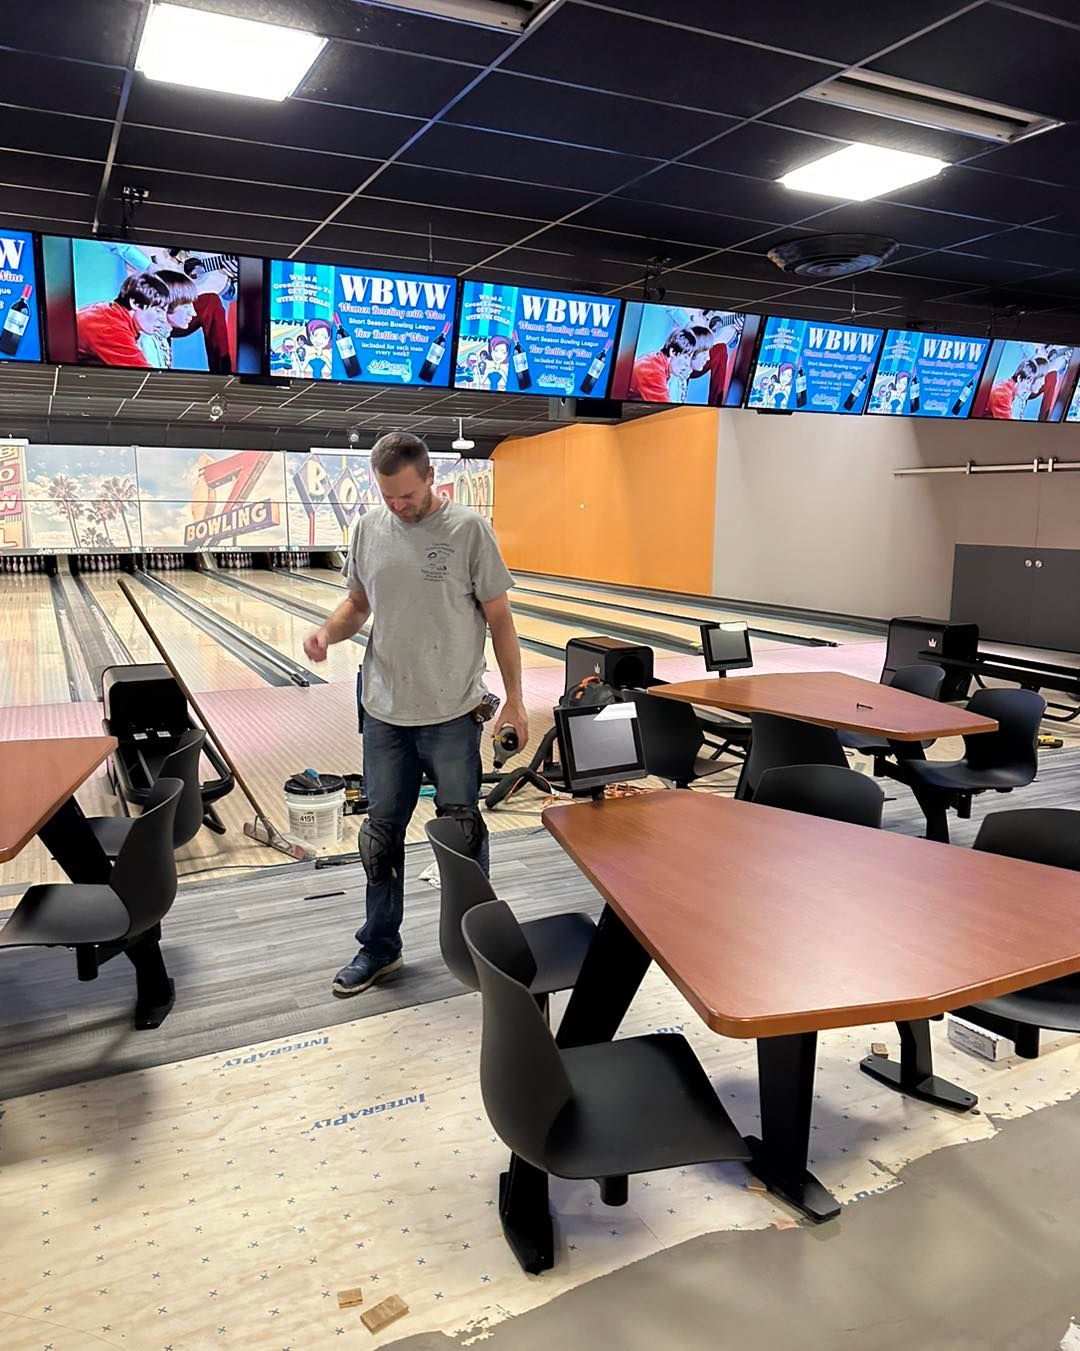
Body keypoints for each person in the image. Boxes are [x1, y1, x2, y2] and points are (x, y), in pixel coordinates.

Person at [303, 432, 528, 996]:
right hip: (385, 712)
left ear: (430, 478)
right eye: (388, 496)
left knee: (463, 833)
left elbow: (500, 621)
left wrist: (517, 703)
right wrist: (326, 633)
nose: (398, 507)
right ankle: (379, 950)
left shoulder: (469, 531)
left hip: (452, 712)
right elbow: (357, 604)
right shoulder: (368, 528)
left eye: (407, 495)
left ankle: (475, 946)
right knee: (380, 836)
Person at [76, 271, 170, 367]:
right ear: (135, 303)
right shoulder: (112, 329)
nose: (163, 319)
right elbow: (145, 376)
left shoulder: (112, 312)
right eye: (158, 311)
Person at [629, 327, 696, 403]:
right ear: (673, 352)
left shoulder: (658, 362)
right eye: (686, 357)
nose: (687, 364)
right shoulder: (654, 371)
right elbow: (667, 410)